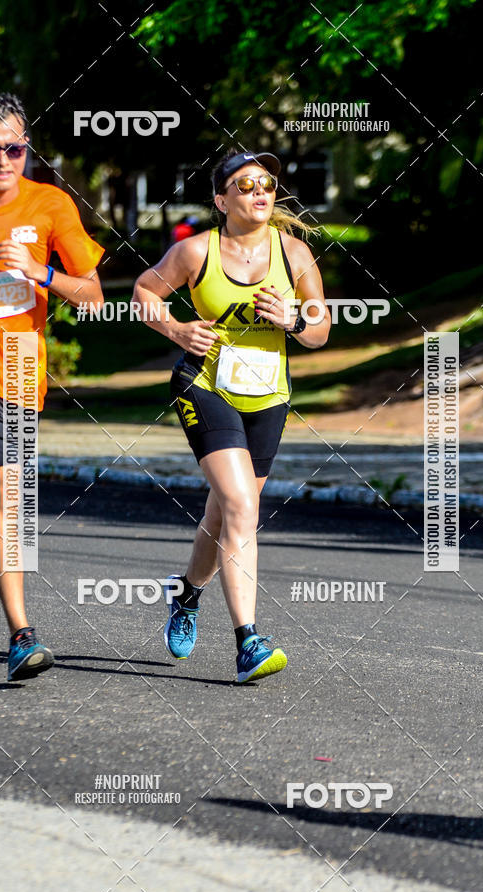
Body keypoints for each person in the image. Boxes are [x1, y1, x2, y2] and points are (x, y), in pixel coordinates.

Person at [133, 149, 330, 683]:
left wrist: (294, 320)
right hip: (205, 386)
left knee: (225, 513)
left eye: (266, 184)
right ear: (221, 200)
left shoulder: (295, 253)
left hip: (267, 396)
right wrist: (175, 329)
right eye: (245, 185)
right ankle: (249, 643)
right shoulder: (195, 251)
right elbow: (143, 290)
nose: (259, 192)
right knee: (242, 505)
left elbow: (320, 330)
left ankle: (186, 594)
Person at [0, 93, 104, 680]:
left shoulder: (51, 204)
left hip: (22, 367)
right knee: (10, 495)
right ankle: (21, 636)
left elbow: (92, 294)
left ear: (26, 147)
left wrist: (40, 272)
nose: (3, 161)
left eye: (14, 148)